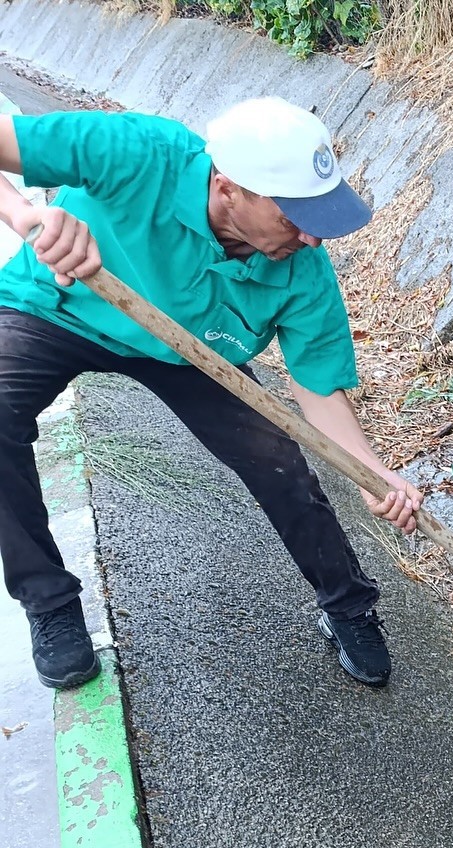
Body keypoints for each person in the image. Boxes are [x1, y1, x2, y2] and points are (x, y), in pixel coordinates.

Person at [0, 95, 422, 689]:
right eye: (293, 216)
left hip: (189, 352)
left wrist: (374, 474)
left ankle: (348, 605)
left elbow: (318, 391)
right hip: (65, 305)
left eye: (319, 217)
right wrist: (25, 215)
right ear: (228, 188)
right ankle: (51, 606)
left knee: (278, 457)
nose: (311, 237)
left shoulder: (302, 268)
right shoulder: (139, 153)